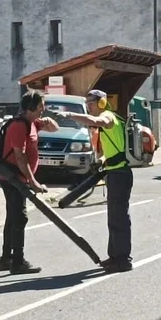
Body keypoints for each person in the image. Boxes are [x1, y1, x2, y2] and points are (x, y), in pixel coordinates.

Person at [56, 89, 133, 273]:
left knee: (119, 219)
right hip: (115, 173)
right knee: (114, 218)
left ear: (101, 103)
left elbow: (98, 121)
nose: (88, 107)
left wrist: (70, 115)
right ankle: (115, 256)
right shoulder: (110, 118)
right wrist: (102, 160)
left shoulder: (107, 116)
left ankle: (123, 260)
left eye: (90, 103)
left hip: (119, 174)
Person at [0, 90, 58, 274]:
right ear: (30, 108)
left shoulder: (32, 123)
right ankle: (17, 262)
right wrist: (32, 181)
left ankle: (6, 259)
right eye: (40, 107)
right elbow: (20, 156)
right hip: (13, 177)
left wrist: (48, 121)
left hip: (17, 176)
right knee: (20, 217)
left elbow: (54, 129)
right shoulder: (19, 126)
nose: (42, 110)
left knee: (13, 216)